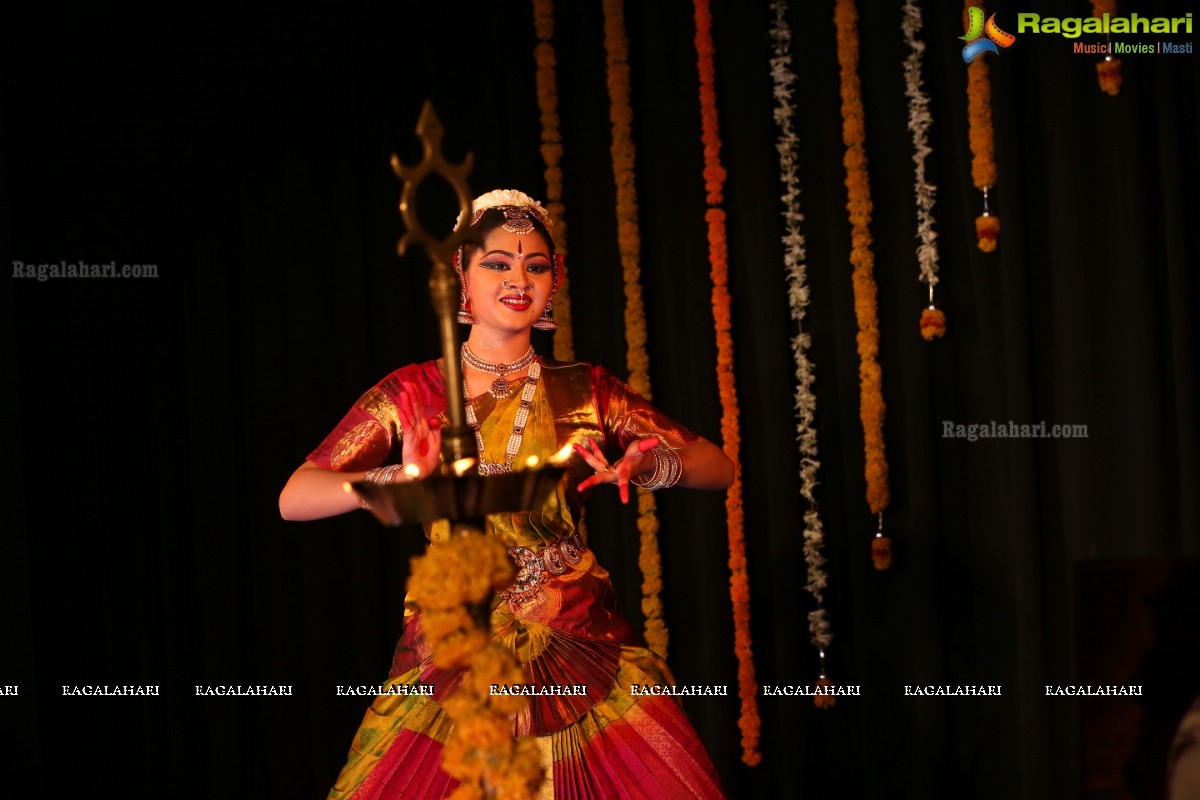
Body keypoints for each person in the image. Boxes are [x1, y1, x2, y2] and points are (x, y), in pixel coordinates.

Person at [280, 188, 733, 799]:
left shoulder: (584, 390)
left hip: (578, 638)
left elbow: (716, 466)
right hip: (452, 649)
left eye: (536, 265)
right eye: (497, 262)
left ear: (554, 281)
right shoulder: (415, 393)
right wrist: (402, 481)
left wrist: (647, 470)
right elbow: (296, 496)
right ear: (460, 274)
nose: (519, 278)